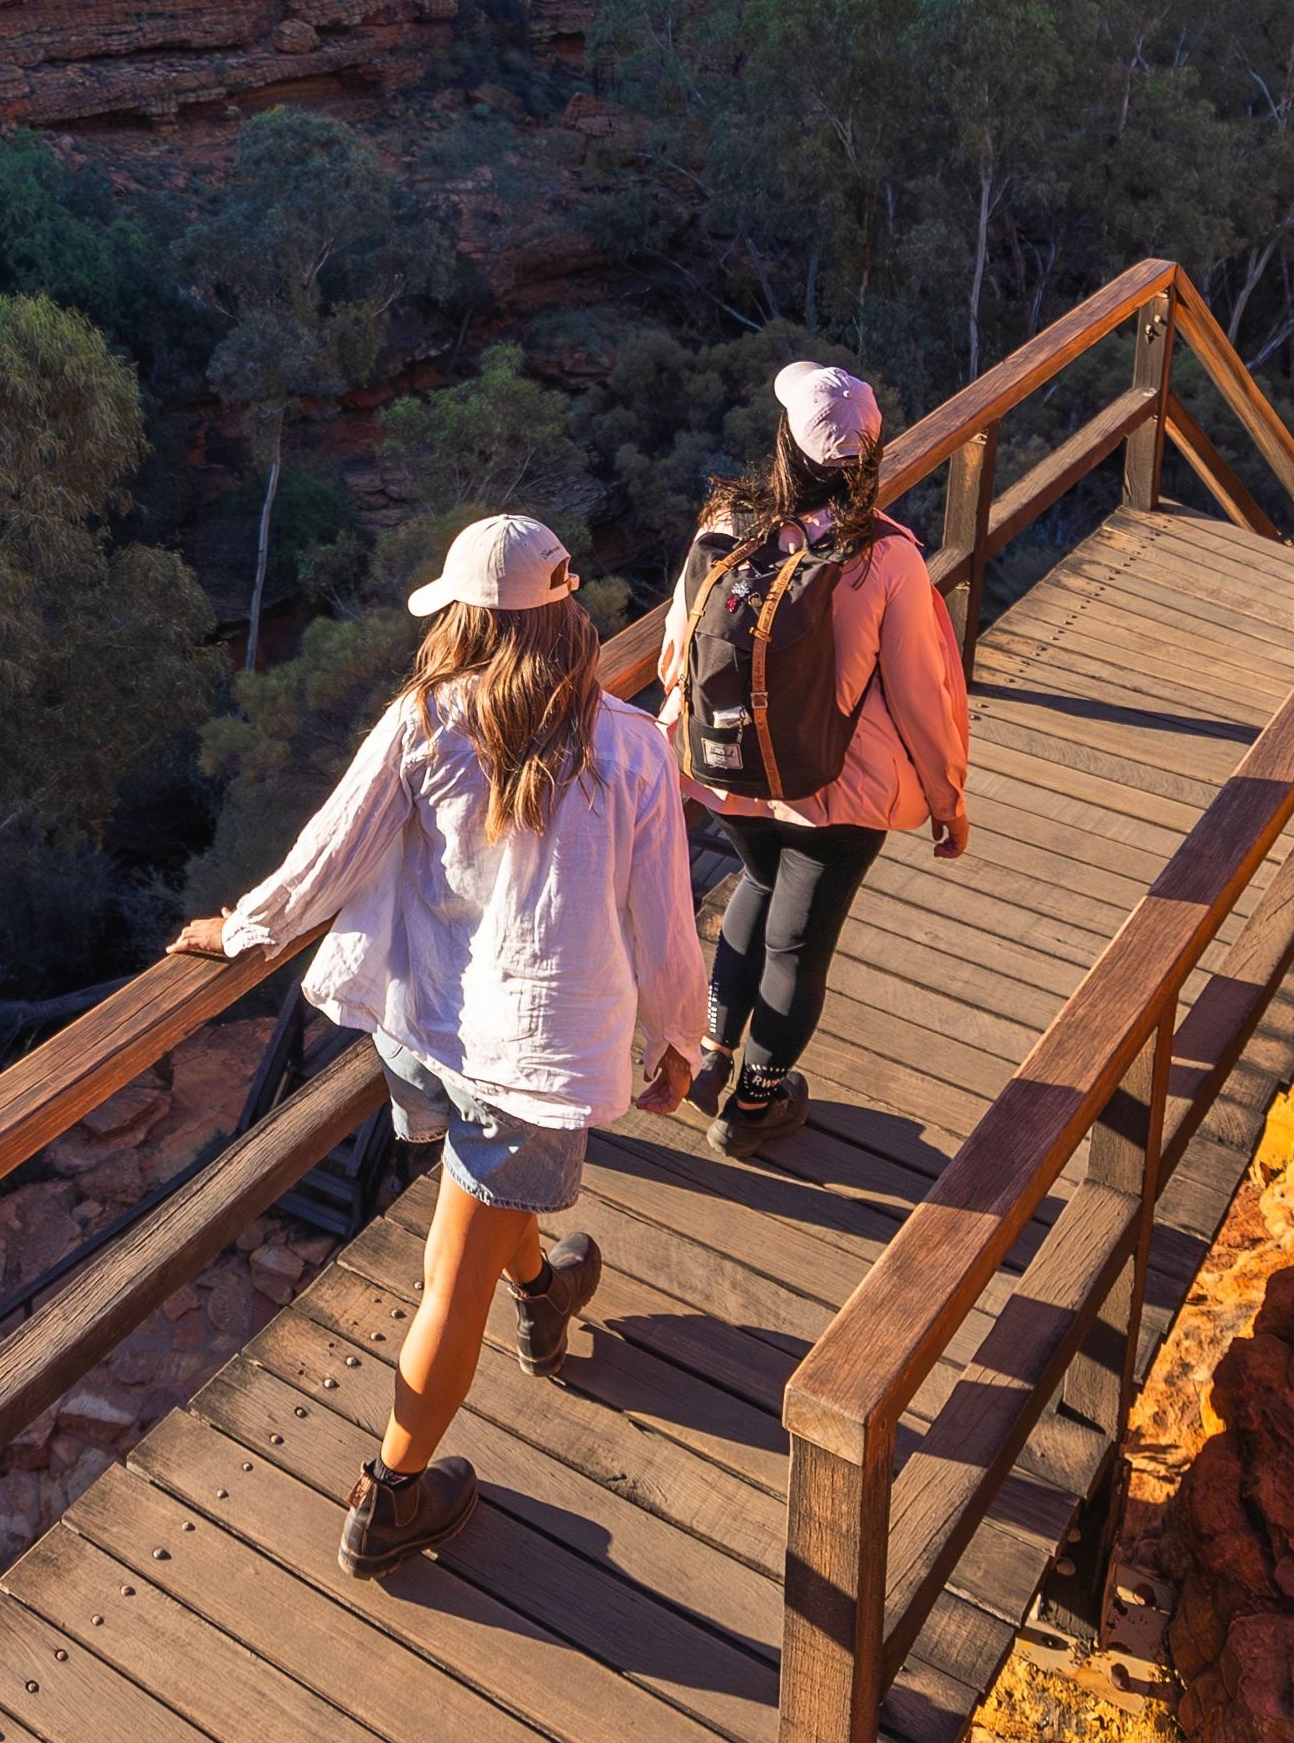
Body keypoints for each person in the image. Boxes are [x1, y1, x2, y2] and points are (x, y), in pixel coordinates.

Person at [173, 512, 704, 1581]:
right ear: (567, 618)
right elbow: (665, 918)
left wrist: (243, 929)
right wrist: (678, 1039)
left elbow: (331, 850)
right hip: (534, 1060)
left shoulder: (425, 718)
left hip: (425, 1033)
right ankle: (392, 1497)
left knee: (477, 1208)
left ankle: (545, 1291)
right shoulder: (631, 746)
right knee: (447, 1281)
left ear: (467, 621)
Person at [667, 360, 972, 1163]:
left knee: (758, 886)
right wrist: (946, 800)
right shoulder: (884, 557)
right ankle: (755, 1106)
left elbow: (678, 653)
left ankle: (711, 1053)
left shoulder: (724, 527)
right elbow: (919, 694)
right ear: (868, 456)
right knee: (798, 946)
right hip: (837, 789)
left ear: (784, 446)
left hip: (728, 772)